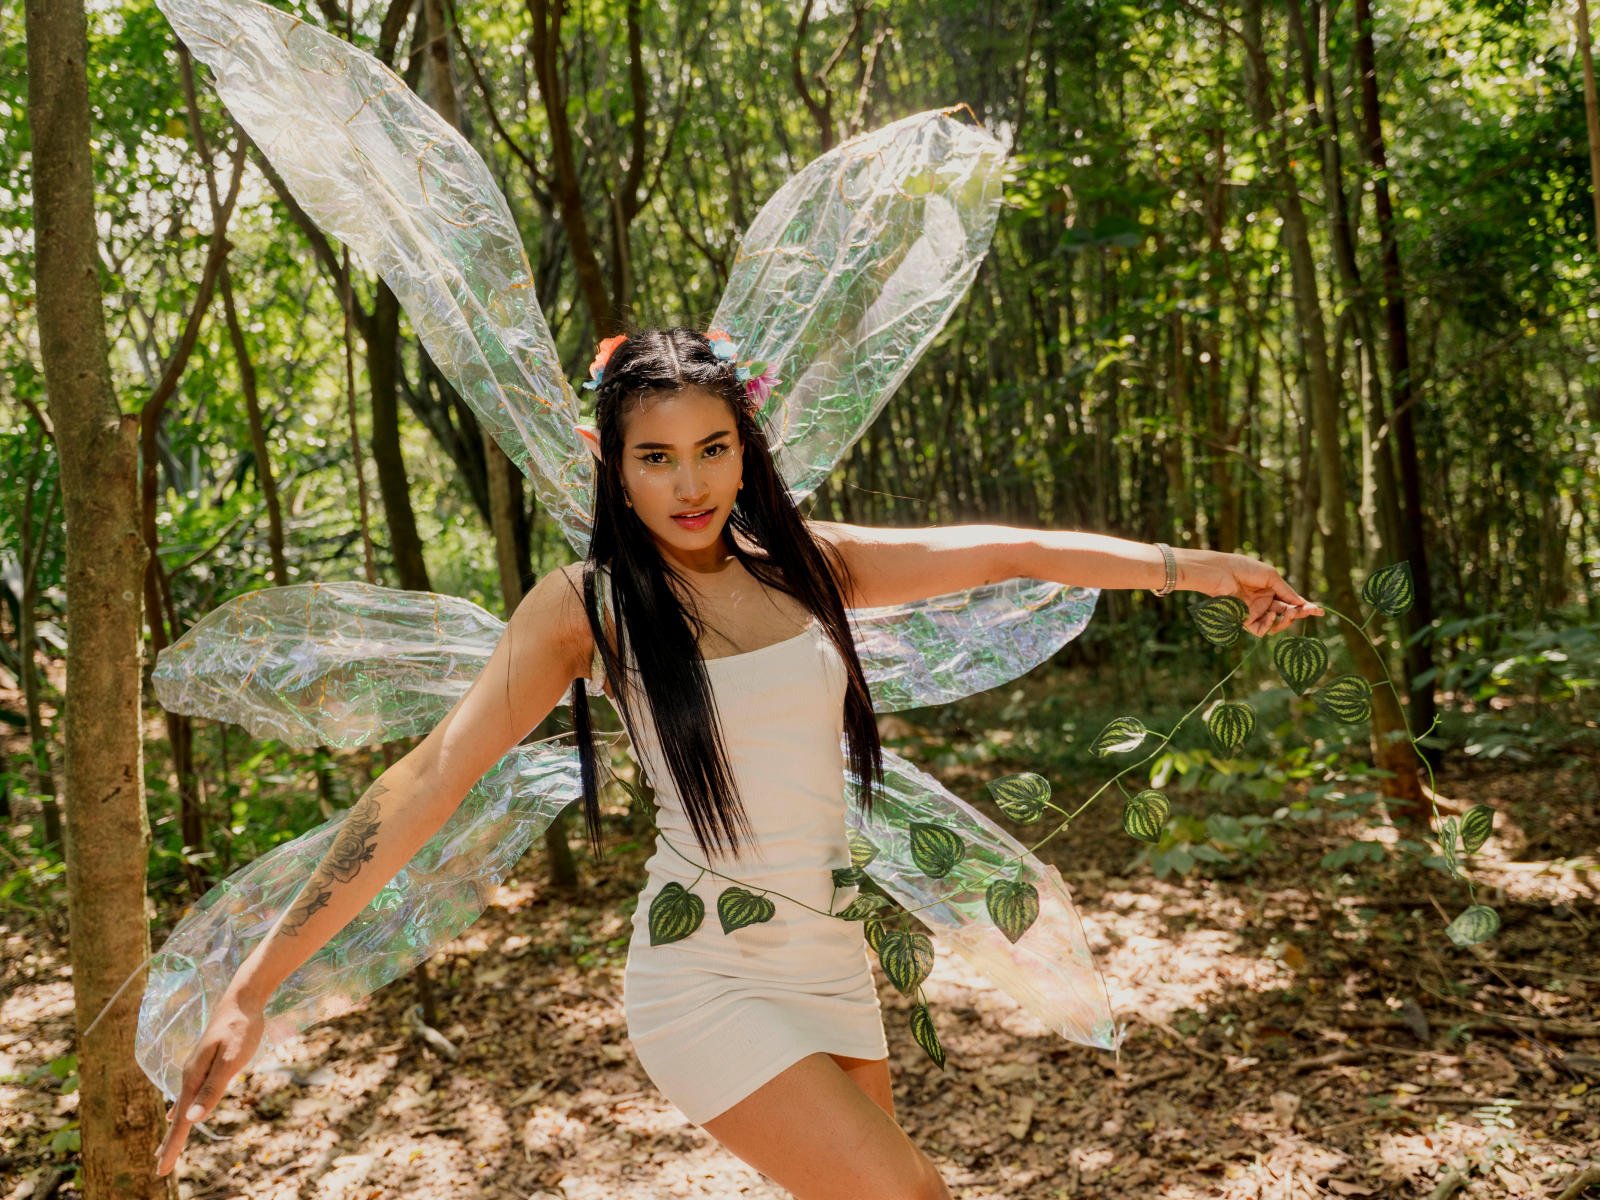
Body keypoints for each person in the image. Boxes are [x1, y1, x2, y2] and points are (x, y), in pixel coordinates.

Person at [155, 327, 1322, 1195]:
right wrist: (254, 987)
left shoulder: (802, 566)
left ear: (743, 447)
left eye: (712, 449)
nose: (691, 484)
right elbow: (428, 779)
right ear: (611, 463)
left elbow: (1004, 549)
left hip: (827, 950)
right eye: (656, 457)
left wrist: (1200, 569)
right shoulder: (586, 607)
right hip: (703, 972)